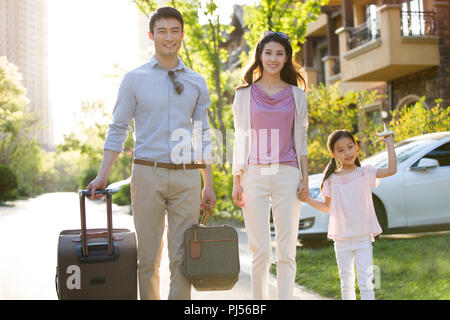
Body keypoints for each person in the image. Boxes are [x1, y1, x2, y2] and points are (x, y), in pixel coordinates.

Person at [86, 7, 216, 300]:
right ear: (151, 35)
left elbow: (202, 134)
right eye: (162, 31)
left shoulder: (197, 81)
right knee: (147, 259)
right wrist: (102, 175)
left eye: (174, 31)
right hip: (147, 175)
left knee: (183, 259)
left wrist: (207, 182)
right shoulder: (134, 79)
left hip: (186, 178)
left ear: (182, 34)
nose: (169, 37)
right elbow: (118, 128)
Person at [231, 31, 309, 300]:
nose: (273, 58)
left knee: (287, 250)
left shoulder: (297, 95)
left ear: (286, 58)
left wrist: (305, 178)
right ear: (260, 56)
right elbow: (240, 136)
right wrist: (236, 179)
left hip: (287, 173)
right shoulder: (244, 94)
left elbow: (301, 139)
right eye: (268, 53)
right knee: (260, 250)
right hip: (254, 174)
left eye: (279, 53)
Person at [303, 129, 397, 300]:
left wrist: (389, 143)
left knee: (367, 283)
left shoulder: (365, 172)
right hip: (342, 240)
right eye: (341, 150)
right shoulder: (331, 180)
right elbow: (326, 207)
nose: (347, 153)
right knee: (346, 284)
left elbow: (391, 170)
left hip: (363, 238)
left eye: (349, 147)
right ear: (333, 154)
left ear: (356, 147)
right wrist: (308, 199)